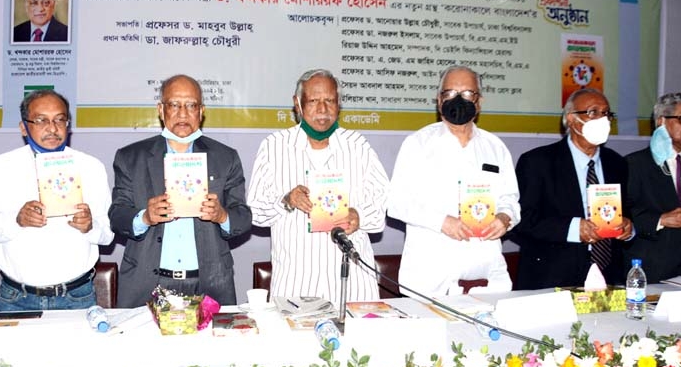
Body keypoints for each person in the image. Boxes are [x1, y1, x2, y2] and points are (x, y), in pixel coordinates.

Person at [247, 69, 389, 307]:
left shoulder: (358, 147)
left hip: (352, 284)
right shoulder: (274, 147)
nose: (323, 110)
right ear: (297, 104)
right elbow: (256, 213)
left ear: (339, 104)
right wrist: (287, 200)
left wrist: (359, 215)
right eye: (313, 101)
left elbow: (382, 206)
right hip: (297, 283)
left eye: (330, 101)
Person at [109, 75, 251, 307]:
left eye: (191, 105)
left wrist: (222, 215)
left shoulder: (226, 157)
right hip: (147, 284)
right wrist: (144, 217)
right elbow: (117, 216)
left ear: (201, 111)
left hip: (208, 284)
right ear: (161, 109)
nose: (183, 113)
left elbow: (243, 218)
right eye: (174, 105)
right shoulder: (130, 157)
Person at [0, 89, 113, 311]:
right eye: (41, 120)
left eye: (60, 119)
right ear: (23, 127)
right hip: (16, 298)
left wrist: (90, 226)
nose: (52, 128)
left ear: (68, 124)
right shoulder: (0, 168)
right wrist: (16, 220)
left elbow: (108, 234)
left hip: (77, 296)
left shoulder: (90, 167)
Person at [387, 65, 519, 296]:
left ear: (479, 102)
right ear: (439, 101)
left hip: (487, 278)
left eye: (468, 94)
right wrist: (443, 222)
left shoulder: (495, 147)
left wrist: (505, 217)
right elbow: (396, 204)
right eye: (450, 93)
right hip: (431, 281)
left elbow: (510, 199)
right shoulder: (418, 144)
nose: (459, 100)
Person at [512, 88, 633, 289]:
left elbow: (627, 211)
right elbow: (521, 221)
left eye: (606, 114)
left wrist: (630, 227)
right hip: (552, 279)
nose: (602, 120)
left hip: (608, 278)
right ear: (571, 119)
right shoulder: (537, 162)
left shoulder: (617, 163)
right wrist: (572, 228)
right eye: (593, 112)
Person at [625, 93, 681, 283]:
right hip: (653, 268)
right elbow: (623, 215)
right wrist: (660, 219)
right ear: (661, 121)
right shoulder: (635, 164)